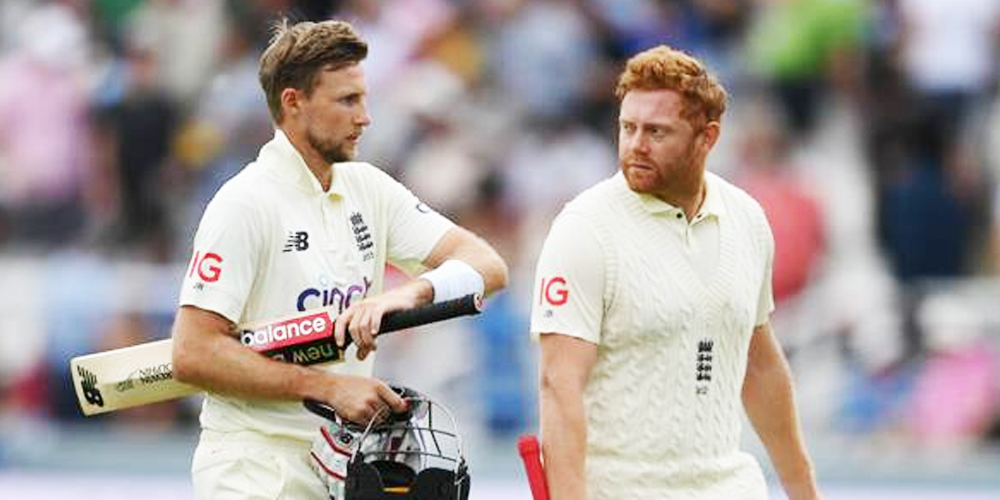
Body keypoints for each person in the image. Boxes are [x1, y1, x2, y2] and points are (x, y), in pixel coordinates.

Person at [170, 19, 507, 500]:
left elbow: (487, 266)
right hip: (251, 467)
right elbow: (193, 352)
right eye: (347, 100)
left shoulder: (368, 188)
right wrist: (327, 388)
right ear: (294, 102)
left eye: (363, 98)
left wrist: (410, 292)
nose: (365, 117)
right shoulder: (244, 203)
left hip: (338, 466)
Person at [530, 45, 823, 500]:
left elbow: (761, 365)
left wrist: (805, 492)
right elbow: (559, 386)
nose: (635, 145)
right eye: (627, 128)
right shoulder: (584, 228)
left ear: (707, 138)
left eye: (656, 132)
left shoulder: (747, 219)